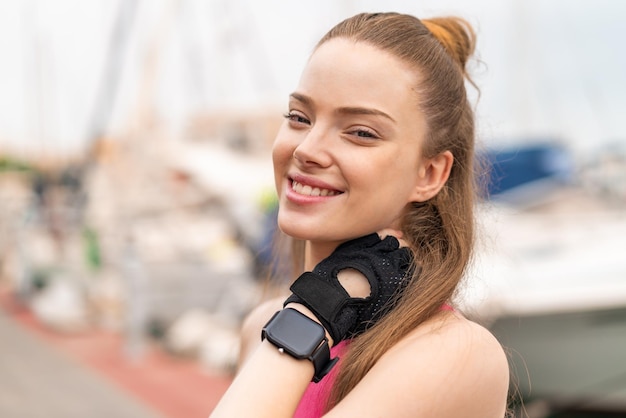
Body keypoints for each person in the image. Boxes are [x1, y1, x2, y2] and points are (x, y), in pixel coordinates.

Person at [211, 11, 510, 417]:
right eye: (300, 118)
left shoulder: (453, 352)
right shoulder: (264, 324)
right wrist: (319, 303)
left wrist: (317, 309)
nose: (306, 149)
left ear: (430, 173)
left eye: (360, 132)